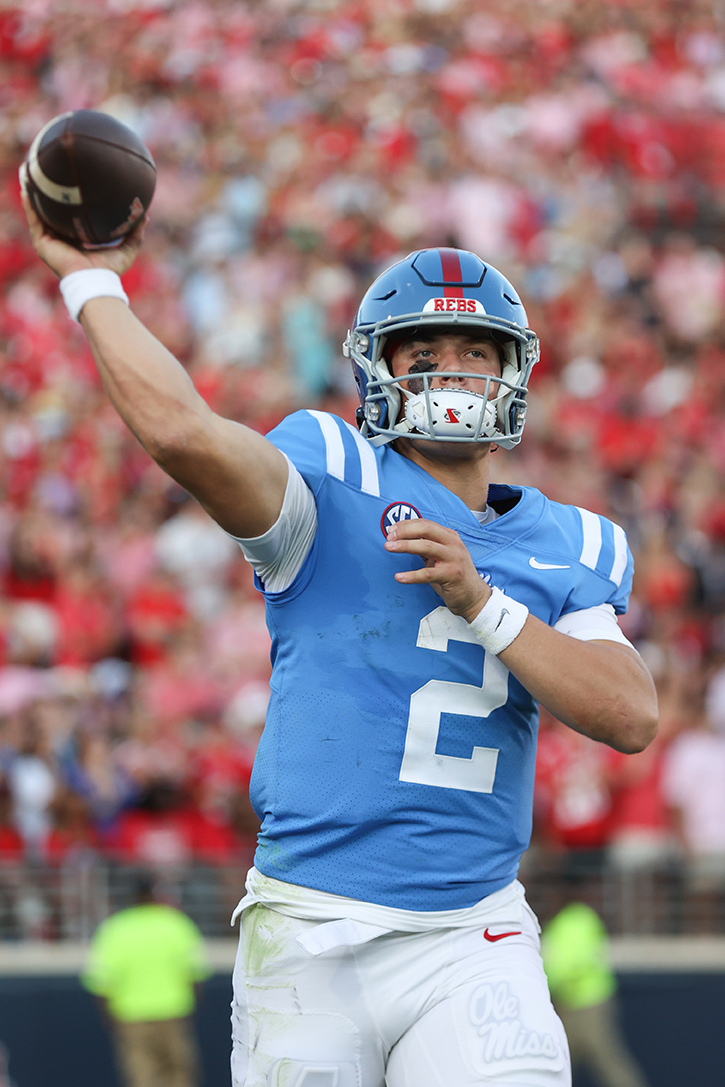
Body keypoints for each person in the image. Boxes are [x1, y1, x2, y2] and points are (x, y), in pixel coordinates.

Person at [22, 183, 658, 1087]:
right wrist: (92, 283)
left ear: (513, 372)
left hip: (471, 931)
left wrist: (488, 604)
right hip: (308, 928)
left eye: (473, 352)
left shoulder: (568, 542)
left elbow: (629, 714)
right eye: (422, 351)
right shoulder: (329, 475)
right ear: (376, 368)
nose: (448, 372)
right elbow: (181, 432)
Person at [81, 875, 211, 1087]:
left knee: (142, 1077)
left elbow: (100, 983)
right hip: (173, 1014)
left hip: (132, 1018)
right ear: (153, 895)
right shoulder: (175, 923)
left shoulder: (115, 929)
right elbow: (196, 973)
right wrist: (189, 1008)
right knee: (180, 1075)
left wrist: (113, 1021)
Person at [541, 900, 650, 1087]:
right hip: (565, 1006)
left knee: (606, 1059)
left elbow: (578, 961)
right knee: (556, 1064)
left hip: (590, 1003)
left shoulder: (581, 918)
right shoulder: (556, 925)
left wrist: (555, 983)